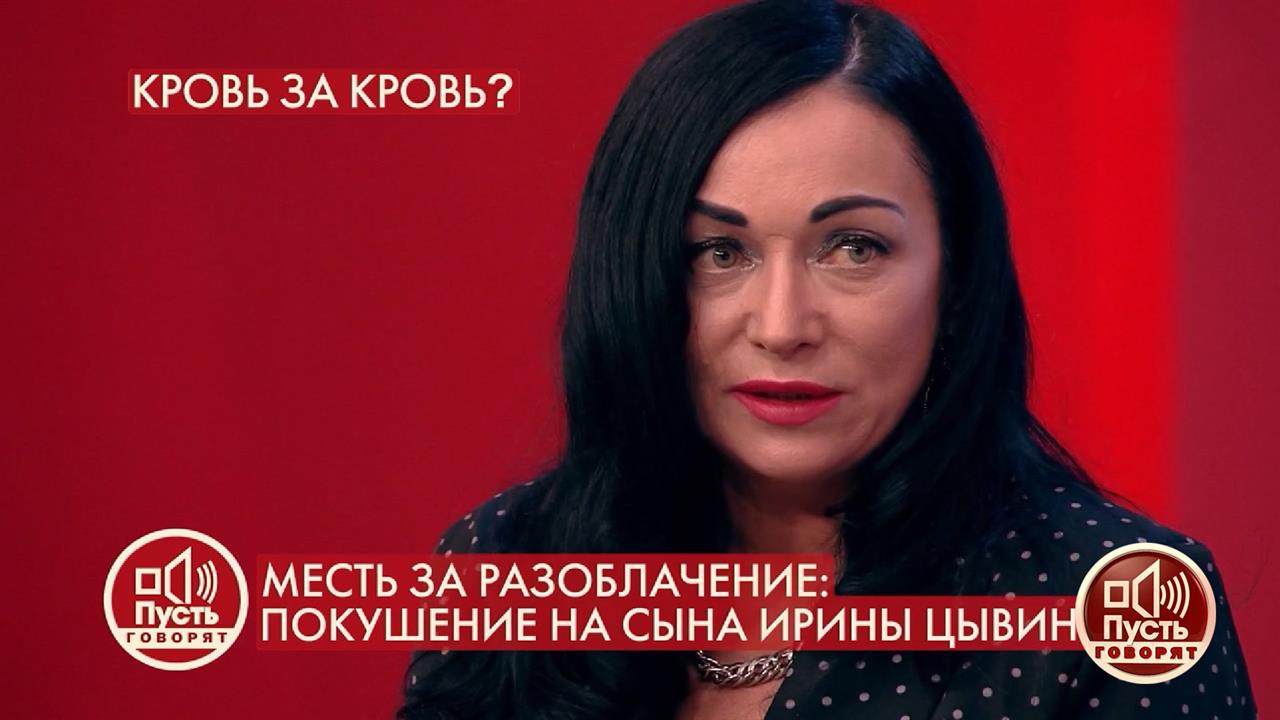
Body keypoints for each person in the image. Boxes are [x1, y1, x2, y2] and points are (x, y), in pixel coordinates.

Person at [399, 1, 1255, 718]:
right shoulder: (503, 564)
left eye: (853, 248)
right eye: (719, 252)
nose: (782, 327)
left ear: (956, 275)